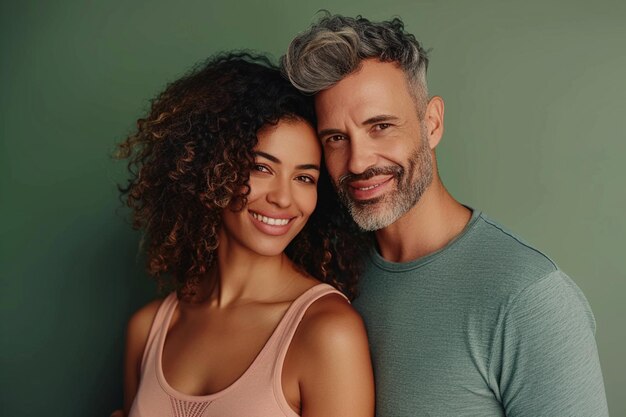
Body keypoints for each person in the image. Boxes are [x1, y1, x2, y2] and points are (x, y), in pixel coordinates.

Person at [283, 14, 609, 417]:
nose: (359, 160)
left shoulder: (529, 298)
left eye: (381, 126)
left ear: (432, 123)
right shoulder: (330, 269)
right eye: (336, 138)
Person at [114, 52, 374, 417]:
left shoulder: (326, 332)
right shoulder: (148, 329)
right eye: (261, 167)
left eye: (304, 177)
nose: (283, 198)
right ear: (209, 168)